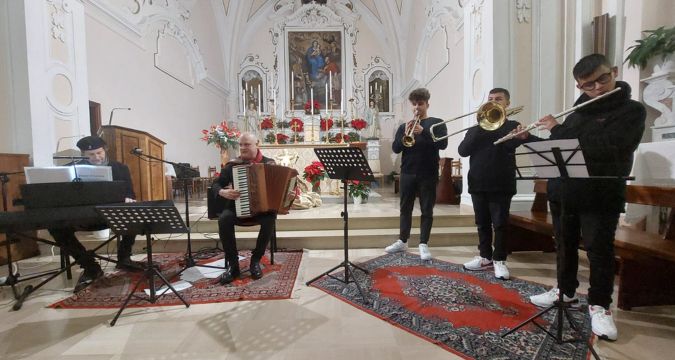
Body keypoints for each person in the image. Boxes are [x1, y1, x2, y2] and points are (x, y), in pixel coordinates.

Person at [528, 54, 646, 341]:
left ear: (614, 72)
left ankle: (600, 305)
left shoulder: (632, 110)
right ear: (579, 86)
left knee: (598, 250)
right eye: (588, 85)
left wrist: (559, 128)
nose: (597, 88)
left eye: (602, 79)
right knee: (564, 244)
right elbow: (562, 149)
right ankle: (565, 291)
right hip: (566, 191)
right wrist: (528, 140)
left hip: (601, 193)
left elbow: (612, 146)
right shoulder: (577, 114)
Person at [458, 88, 538, 280]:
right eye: (491, 99)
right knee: (482, 223)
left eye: (499, 99)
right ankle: (485, 256)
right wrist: (480, 126)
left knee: (500, 224)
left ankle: (500, 259)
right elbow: (463, 151)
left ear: (507, 104)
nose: (494, 102)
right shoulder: (475, 128)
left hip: (501, 182)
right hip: (478, 182)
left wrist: (521, 136)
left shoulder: (513, 125)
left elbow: (513, 146)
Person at [48, 136, 139, 292]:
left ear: (105, 150)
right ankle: (90, 267)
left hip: (111, 215)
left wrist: (129, 199)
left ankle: (124, 258)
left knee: (134, 215)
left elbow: (131, 193)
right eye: (91, 155)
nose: (96, 157)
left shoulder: (120, 168)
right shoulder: (71, 169)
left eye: (99, 153)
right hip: (83, 216)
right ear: (83, 154)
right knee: (55, 227)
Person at [386, 88, 448, 260]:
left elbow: (443, 145)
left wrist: (424, 132)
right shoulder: (404, 126)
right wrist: (405, 134)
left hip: (428, 173)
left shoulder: (437, 123)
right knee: (405, 209)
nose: (417, 107)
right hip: (407, 172)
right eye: (414, 104)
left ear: (427, 104)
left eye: (420, 104)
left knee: (427, 210)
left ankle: (423, 244)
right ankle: (403, 241)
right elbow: (396, 148)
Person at [212, 133, 277, 284]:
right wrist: (223, 192)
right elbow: (216, 184)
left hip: (262, 210)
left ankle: (255, 260)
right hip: (236, 207)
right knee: (224, 219)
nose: (242, 148)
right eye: (240, 145)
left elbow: (281, 187)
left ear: (257, 144)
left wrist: (288, 194)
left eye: (246, 144)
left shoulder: (269, 164)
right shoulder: (233, 165)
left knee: (270, 218)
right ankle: (233, 265)